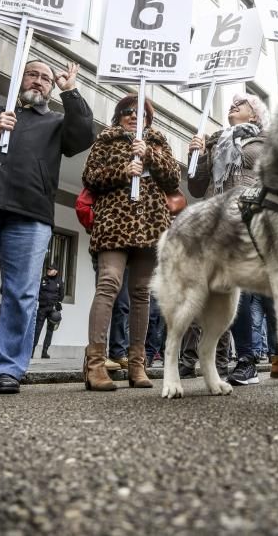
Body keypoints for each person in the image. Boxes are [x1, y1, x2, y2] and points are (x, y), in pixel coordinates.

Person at [0, 60, 94, 393]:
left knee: (21, 295)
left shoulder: (56, 122)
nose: (38, 81)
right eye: (32, 74)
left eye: (46, 79)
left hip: (30, 215)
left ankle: (9, 370)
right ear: (20, 78)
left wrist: (72, 92)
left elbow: (83, 136)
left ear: (52, 88)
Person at [82, 95, 180, 391]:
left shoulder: (159, 142)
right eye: (127, 111)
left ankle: (137, 365)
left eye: (140, 113)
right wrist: (123, 171)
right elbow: (90, 176)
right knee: (109, 283)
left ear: (149, 118)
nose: (133, 116)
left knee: (141, 293)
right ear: (118, 116)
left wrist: (148, 154)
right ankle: (95, 363)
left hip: (150, 224)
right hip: (114, 222)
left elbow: (173, 179)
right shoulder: (106, 140)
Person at [181, 92, 278, 386]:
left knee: (267, 294)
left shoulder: (267, 143)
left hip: (254, 218)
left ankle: (276, 354)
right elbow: (197, 188)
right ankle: (248, 359)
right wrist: (195, 157)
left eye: (241, 104)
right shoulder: (215, 141)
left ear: (255, 114)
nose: (233, 106)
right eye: (232, 103)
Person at [32, 261, 64, 359]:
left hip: (52, 310)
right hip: (42, 308)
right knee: (37, 330)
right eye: (48, 269)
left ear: (56, 271)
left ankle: (44, 352)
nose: (48, 271)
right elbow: (37, 292)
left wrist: (58, 304)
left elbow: (61, 295)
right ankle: (31, 351)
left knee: (50, 331)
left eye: (51, 269)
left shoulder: (59, 282)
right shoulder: (43, 280)